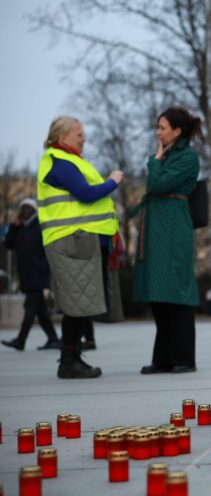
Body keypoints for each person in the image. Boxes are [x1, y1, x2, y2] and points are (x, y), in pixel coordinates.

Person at [36, 116, 123, 378]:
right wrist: (113, 182)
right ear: (62, 138)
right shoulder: (59, 161)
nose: (84, 139)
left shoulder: (68, 160)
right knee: (77, 303)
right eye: (79, 134)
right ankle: (69, 361)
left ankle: (71, 358)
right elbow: (86, 194)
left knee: (80, 301)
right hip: (71, 241)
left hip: (77, 240)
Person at [134, 107, 202, 374]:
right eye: (158, 127)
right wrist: (158, 158)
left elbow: (158, 184)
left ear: (177, 131)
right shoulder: (171, 154)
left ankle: (185, 358)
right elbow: (156, 183)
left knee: (176, 293)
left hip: (174, 227)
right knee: (159, 294)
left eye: (162, 127)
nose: (158, 132)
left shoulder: (187, 156)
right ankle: (163, 359)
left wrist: (155, 159)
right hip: (158, 226)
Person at [1, 198, 60, 351]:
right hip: (26, 275)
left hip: (38, 274)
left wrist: (43, 267)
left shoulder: (40, 225)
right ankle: (53, 339)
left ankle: (20, 341)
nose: (25, 211)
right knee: (41, 311)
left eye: (28, 208)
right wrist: (14, 226)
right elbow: (8, 244)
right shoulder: (20, 227)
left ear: (34, 210)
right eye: (23, 208)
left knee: (30, 308)